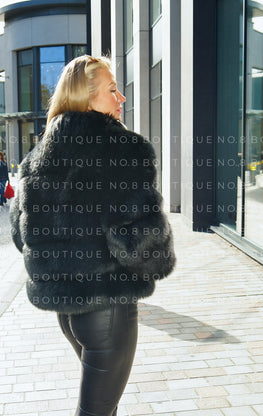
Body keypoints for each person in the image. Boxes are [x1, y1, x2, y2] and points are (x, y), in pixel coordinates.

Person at [9, 55, 176, 416]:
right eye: (113, 90)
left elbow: (21, 233)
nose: (122, 99)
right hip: (107, 307)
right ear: (88, 98)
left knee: (103, 407)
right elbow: (140, 239)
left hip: (67, 311)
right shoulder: (123, 150)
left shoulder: (38, 155)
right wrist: (156, 259)